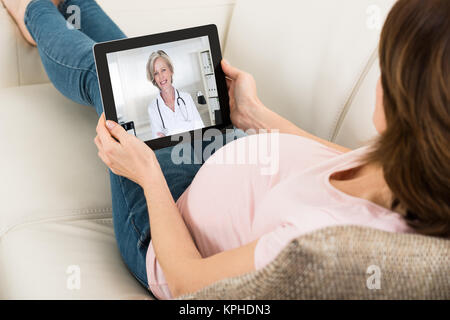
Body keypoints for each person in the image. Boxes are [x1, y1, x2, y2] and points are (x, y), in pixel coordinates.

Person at [3, 0, 448, 300]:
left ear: (409, 107)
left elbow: (190, 284)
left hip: (168, 222)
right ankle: (74, 3)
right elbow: (333, 159)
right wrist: (257, 115)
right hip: (221, 148)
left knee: (103, 82)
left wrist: (147, 176)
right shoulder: (417, 170)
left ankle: (36, 11)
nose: (379, 81)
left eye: (387, 70)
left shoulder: (320, 250)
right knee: (122, 62)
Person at [146, 50, 204, 139]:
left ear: (171, 70)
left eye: (163, 70)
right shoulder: (153, 108)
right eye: (156, 73)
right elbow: (159, 141)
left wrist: (168, 136)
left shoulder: (186, 98)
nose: (161, 76)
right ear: (154, 78)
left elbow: (200, 130)